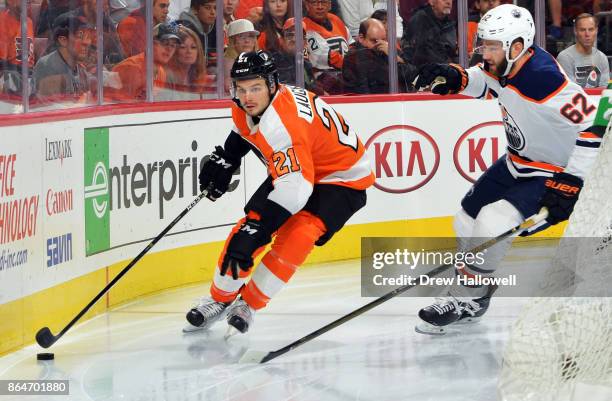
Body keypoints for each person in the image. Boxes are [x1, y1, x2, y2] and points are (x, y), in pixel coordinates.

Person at [412, 4, 604, 334]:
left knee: (492, 222)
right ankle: (477, 293)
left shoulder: (542, 77)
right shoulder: (505, 63)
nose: (485, 53)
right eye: (483, 45)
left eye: (491, 46)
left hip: (550, 169)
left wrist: (572, 183)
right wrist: (453, 76)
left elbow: (596, 121)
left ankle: (464, 297)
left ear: (517, 46)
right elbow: (484, 81)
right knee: (466, 219)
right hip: (516, 162)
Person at [183, 50, 374, 335]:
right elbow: (244, 130)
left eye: (256, 88)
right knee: (245, 232)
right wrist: (228, 159)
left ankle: (249, 304)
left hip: (342, 178)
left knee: (297, 236)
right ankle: (218, 299)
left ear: (273, 85)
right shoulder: (249, 105)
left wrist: (259, 228)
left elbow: (297, 190)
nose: (247, 97)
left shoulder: (283, 125)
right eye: (242, 88)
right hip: (301, 167)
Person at [106, 22, 180, 101]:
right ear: (151, 43)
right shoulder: (132, 69)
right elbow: (120, 107)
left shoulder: (161, 72)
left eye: (173, 45)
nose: (169, 49)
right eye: (164, 43)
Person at [342, 18, 415, 94]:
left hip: (400, 100)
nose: (380, 45)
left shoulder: (387, 49)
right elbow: (363, 92)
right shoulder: (354, 57)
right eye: (374, 41)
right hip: (375, 103)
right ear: (361, 38)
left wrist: (395, 57)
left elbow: (411, 75)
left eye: (383, 40)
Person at [33, 15, 94, 102]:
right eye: (79, 36)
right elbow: (49, 109)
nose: (87, 42)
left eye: (88, 37)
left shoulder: (81, 70)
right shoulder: (47, 66)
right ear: (63, 40)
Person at [303, 0, 352, 94]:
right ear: (307, 5)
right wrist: (351, 65)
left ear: (330, 5)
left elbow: (351, 43)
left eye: (324, 2)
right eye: (314, 3)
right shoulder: (304, 26)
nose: (319, 7)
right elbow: (329, 58)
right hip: (322, 79)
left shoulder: (336, 20)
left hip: (345, 73)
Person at [557, 13, 609, 89]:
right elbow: (570, 90)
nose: (587, 34)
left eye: (591, 29)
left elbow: (604, 89)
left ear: (596, 31)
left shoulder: (602, 58)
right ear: (575, 31)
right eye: (582, 30)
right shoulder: (565, 57)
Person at [268, 17, 320, 93]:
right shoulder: (271, 62)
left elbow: (314, 91)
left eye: (299, 36)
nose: (294, 39)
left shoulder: (306, 65)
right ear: (282, 40)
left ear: (305, 43)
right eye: (289, 35)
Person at [401, 0, 457, 68]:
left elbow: (451, 51)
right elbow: (422, 54)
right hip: (421, 71)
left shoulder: (449, 23)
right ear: (431, 2)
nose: (448, 2)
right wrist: (450, 65)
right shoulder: (420, 19)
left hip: (444, 68)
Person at [0, 0, 34, 94]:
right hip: (10, 75)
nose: (28, 1)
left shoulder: (29, 22)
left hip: (29, 75)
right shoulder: (2, 20)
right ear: (11, 2)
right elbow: (2, 63)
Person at [166, 24, 208, 94]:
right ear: (174, 51)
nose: (189, 51)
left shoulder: (197, 76)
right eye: (183, 47)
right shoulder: (167, 76)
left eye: (193, 47)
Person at [178, 0, 218, 72]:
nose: (213, 12)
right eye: (208, 8)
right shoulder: (185, 29)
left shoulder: (211, 26)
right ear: (194, 10)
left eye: (215, 8)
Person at [223, 19, 259, 92]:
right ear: (232, 41)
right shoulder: (228, 63)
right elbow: (228, 86)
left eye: (251, 36)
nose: (247, 41)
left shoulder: (261, 59)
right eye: (242, 37)